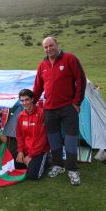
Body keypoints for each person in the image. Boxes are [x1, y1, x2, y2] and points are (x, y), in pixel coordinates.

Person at [33, 37, 86, 185]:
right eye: (45, 47)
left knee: (70, 140)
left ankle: (72, 169)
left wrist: (76, 103)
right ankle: (58, 164)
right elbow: (38, 87)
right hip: (49, 109)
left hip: (68, 107)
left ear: (57, 45)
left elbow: (80, 79)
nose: (48, 49)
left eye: (51, 45)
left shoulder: (69, 58)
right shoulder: (42, 65)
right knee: (54, 139)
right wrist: (32, 102)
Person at [15, 89, 49, 180]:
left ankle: (46, 160)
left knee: (33, 176)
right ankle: (30, 164)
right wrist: (20, 151)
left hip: (39, 150)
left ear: (32, 99)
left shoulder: (41, 113)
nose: (24, 103)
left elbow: (42, 138)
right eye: (22, 100)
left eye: (27, 100)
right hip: (26, 149)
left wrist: (30, 156)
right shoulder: (20, 116)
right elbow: (19, 136)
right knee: (15, 166)